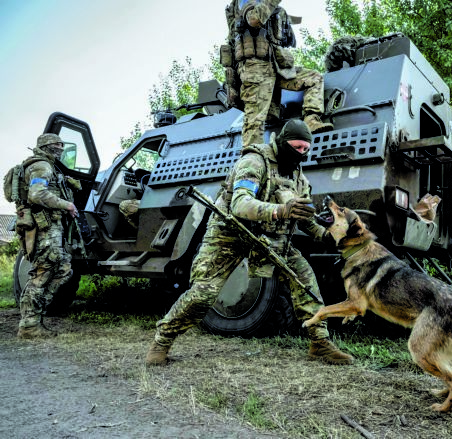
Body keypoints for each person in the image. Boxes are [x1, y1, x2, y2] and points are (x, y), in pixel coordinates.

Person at [145, 119, 354, 366]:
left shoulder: (299, 179)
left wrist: (328, 237)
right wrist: (281, 210)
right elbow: (240, 204)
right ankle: (162, 341)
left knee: (306, 283)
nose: (301, 154)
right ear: (282, 142)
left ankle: (320, 343)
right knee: (203, 294)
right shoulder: (254, 162)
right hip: (229, 234)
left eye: (305, 150)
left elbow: (305, 220)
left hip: (268, 238)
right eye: (296, 147)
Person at [224, 0, 333, 146]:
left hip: (276, 66)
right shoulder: (245, 2)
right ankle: (251, 159)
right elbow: (253, 19)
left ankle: (311, 121)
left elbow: (285, 40)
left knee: (313, 78)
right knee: (254, 123)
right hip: (255, 70)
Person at [16, 133, 79, 339]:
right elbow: (37, 194)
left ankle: (36, 315)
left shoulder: (49, 165)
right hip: (45, 227)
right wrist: (66, 204)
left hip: (52, 226)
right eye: (58, 144)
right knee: (43, 272)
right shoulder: (42, 165)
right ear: (48, 146)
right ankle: (29, 325)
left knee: (63, 269)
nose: (61, 148)